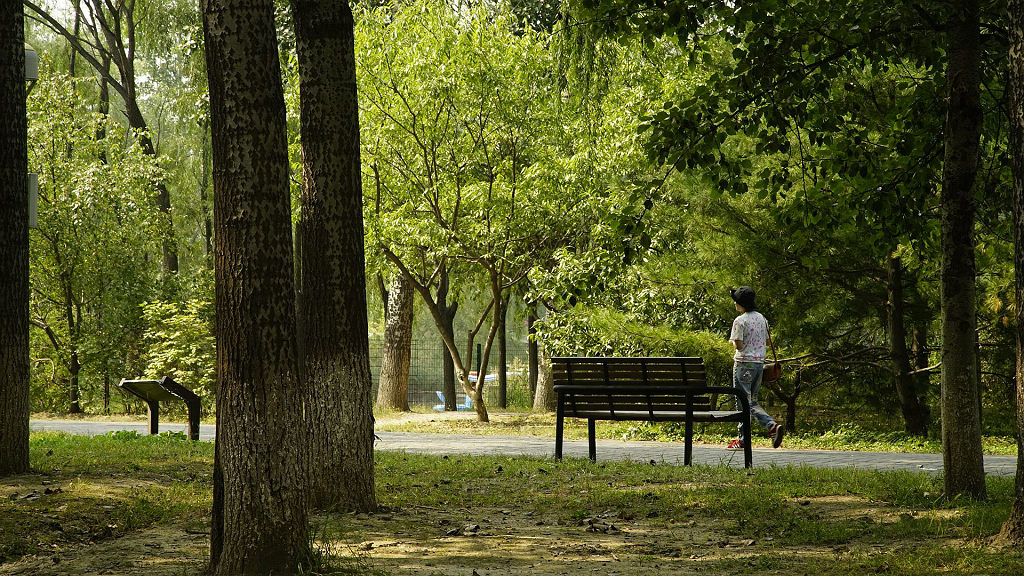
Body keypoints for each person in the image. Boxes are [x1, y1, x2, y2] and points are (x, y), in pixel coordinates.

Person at [727, 286, 784, 450]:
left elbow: (738, 345)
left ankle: (770, 425)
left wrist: (732, 341)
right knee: (752, 400)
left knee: (744, 402)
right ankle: (744, 439)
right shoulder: (762, 319)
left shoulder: (740, 321)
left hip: (743, 364)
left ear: (739, 303)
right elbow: (766, 342)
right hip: (759, 364)